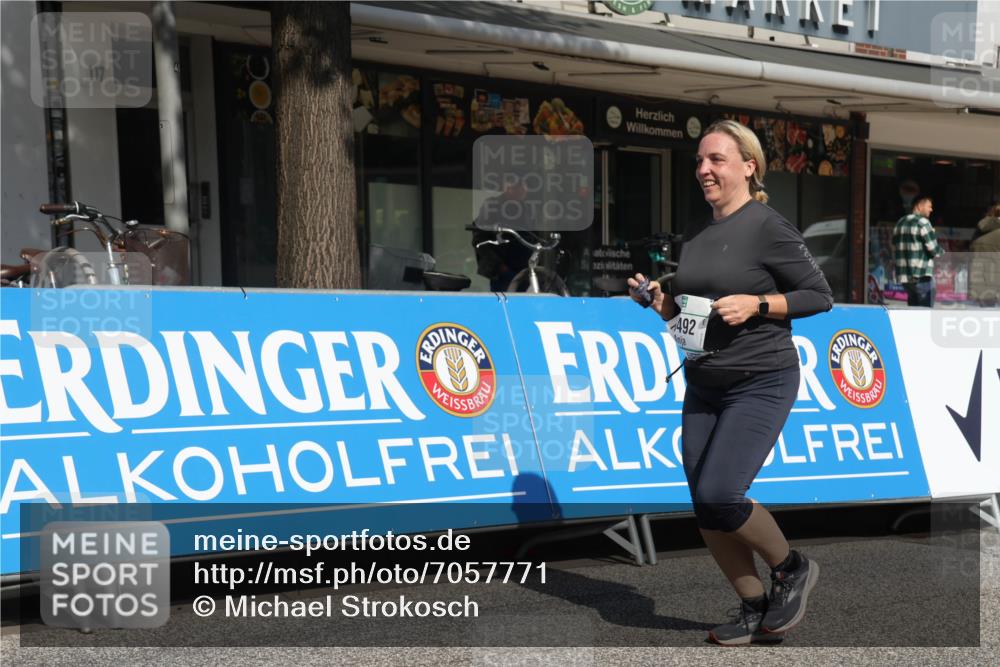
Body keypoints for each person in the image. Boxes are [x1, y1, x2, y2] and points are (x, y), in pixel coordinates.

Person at [628, 120, 833, 646]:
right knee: (704, 503)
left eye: (716, 159)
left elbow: (818, 295)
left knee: (721, 492)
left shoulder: (767, 225)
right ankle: (751, 606)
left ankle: (791, 567)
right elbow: (689, 322)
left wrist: (760, 304)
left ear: (749, 166)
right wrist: (659, 303)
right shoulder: (697, 234)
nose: (703, 170)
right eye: (700, 161)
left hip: (761, 380)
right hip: (703, 383)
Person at [892, 196, 943, 307]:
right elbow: (934, 250)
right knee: (925, 311)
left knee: (913, 309)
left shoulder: (900, 222)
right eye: (929, 206)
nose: (931, 209)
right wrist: (944, 252)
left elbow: (893, 246)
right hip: (921, 274)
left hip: (904, 275)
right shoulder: (923, 222)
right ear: (919, 206)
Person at [969, 204, 1000, 307]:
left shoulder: (980, 229)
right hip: (996, 280)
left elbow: (971, 248)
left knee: (984, 314)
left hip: (979, 277)